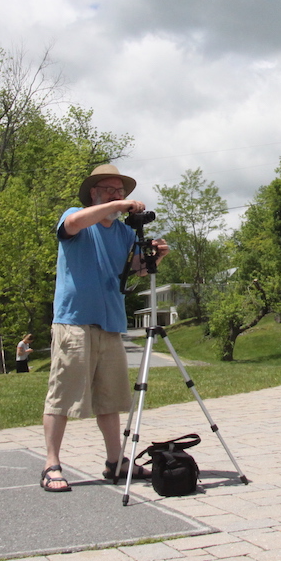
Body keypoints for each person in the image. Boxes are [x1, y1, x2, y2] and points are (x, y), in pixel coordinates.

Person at [40, 163, 169, 493]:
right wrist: (115, 207)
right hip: (74, 321)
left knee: (111, 399)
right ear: (93, 194)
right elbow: (71, 224)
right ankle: (51, 464)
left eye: (121, 192)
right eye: (110, 190)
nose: (117, 196)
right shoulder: (78, 218)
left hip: (110, 322)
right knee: (63, 396)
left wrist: (155, 257)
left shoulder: (125, 233)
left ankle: (116, 462)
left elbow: (135, 271)